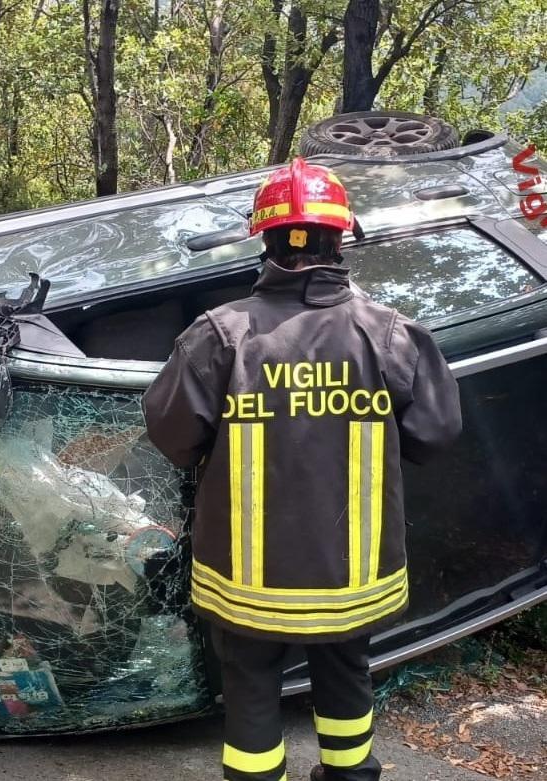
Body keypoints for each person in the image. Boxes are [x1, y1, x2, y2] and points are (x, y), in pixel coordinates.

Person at [142, 158, 461, 781]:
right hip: (355, 577)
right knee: (346, 672)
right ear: (340, 239)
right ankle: (350, 775)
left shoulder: (220, 336)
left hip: (246, 583)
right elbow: (435, 436)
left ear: (263, 240)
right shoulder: (391, 335)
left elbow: (173, 437)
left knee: (253, 685)